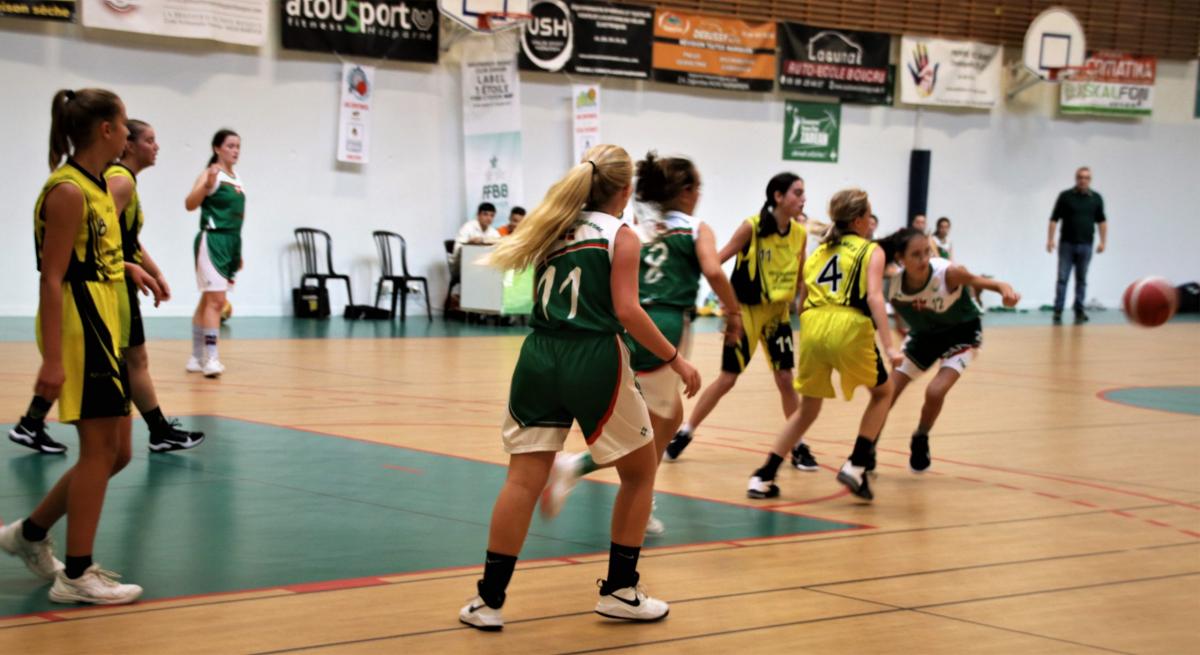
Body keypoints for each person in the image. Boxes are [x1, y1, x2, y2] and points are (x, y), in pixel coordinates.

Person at [458, 145, 701, 631]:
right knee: (640, 473)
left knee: (522, 481)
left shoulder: (551, 227)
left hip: (538, 355)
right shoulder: (620, 235)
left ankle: (488, 601)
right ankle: (620, 591)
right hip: (592, 357)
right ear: (625, 190)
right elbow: (628, 311)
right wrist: (677, 359)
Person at [537, 152, 742, 536]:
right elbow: (714, 270)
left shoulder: (637, 228)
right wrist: (734, 313)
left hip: (629, 326)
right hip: (665, 327)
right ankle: (580, 469)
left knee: (671, 418)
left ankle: (640, 496)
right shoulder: (696, 228)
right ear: (685, 192)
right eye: (698, 187)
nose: (699, 194)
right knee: (647, 432)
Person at [0, 88, 144, 604]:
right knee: (99, 450)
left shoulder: (99, 184)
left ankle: (29, 533)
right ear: (105, 129)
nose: (128, 134)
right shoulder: (67, 190)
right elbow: (52, 276)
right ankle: (77, 575)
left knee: (118, 453)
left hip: (103, 322)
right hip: (81, 329)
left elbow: (92, 254)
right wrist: (53, 359)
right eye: (124, 125)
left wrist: (128, 267)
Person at [8, 120, 205, 455]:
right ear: (126, 143)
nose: (156, 146)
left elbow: (125, 239)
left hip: (114, 278)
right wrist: (128, 268)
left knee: (117, 366)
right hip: (105, 285)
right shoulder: (115, 182)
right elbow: (98, 236)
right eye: (149, 140)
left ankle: (32, 422)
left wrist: (153, 271)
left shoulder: (120, 181)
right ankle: (157, 430)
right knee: (130, 361)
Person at [746, 188, 901, 502]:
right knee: (884, 393)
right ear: (858, 221)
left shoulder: (819, 251)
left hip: (813, 326)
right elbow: (875, 297)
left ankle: (763, 476)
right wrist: (889, 346)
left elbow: (802, 300)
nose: (871, 221)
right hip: (848, 325)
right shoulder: (871, 250)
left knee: (807, 409)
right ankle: (857, 464)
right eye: (868, 215)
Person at [667, 173, 818, 471]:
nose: (803, 198)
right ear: (778, 196)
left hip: (777, 315)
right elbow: (717, 260)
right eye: (797, 192)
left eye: (803, 193)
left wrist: (806, 310)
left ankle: (798, 445)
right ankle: (685, 433)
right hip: (746, 311)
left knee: (785, 379)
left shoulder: (799, 234)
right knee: (728, 378)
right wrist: (723, 301)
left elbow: (801, 276)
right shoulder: (752, 227)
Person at [880, 228, 1019, 472]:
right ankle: (867, 445)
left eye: (927, 252)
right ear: (901, 259)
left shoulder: (948, 274)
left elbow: (993, 283)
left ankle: (921, 436)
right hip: (926, 335)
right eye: (916, 255)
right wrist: (901, 330)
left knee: (935, 392)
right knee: (887, 393)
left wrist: (1006, 292)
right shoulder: (892, 286)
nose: (924, 259)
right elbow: (899, 312)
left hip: (962, 332)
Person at [185, 129, 244, 377]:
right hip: (213, 240)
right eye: (230, 146)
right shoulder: (211, 174)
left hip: (231, 241)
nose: (235, 150)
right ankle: (211, 358)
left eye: (238, 146)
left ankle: (196, 357)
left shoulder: (237, 178)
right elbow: (189, 204)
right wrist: (207, 186)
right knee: (216, 302)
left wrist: (238, 251)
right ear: (217, 148)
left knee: (207, 301)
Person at [1048, 166, 1107, 324]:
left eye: (1086, 177)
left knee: (1081, 279)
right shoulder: (1066, 197)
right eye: (1080, 177)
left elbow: (1102, 221)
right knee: (1062, 278)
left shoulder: (1096, 198)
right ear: (1076, 178)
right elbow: (1054, 218)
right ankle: (1058, 310)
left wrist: (1103, 242)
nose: (1083, 180)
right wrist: (1050, 239)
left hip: (1086, 245)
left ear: (1090, 180)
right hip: (1066, 244)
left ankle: (1079, 310)